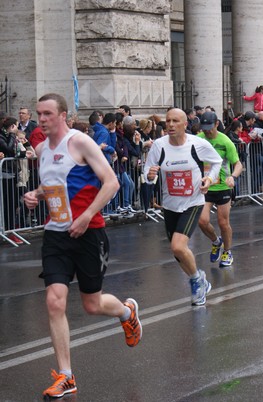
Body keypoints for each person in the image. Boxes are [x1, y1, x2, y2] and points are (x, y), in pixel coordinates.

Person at [23, 93, 141, 398]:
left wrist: (87, 216)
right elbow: (55, 187)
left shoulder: (80, 142)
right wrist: (36, 195)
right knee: (54, 300)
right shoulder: (41, 150)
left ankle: (127, 313)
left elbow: (111, 182)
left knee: (92, 305)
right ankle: (66, 375)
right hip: (56, 236)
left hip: (89, 234)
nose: (42, 119)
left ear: (63, 115)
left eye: (48, 113)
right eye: (39, 114)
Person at [144, 108, 222, 305]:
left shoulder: (198, 144)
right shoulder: (159, 146)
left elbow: (217, 162)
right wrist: (150, 175)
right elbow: (147, 172)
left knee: (177, 246)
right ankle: (199, 278)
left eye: (175, 121)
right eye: (168, 121)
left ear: (185, 124)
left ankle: (196, 281)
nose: (170, 125)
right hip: (170, 205)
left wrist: (209, 179)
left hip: (193, 202)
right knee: (177, 251)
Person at [197, 111, 243, 267]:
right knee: (202, 221)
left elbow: (238, 164)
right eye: (204, 128)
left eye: (210, 127)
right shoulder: (198, 140)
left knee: (223, 223)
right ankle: (216, 242)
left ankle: (227, 251)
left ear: (217, 124)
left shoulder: (225, 141)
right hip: (206, 186)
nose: (207, 131)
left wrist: (233, 177)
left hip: (223, 186)